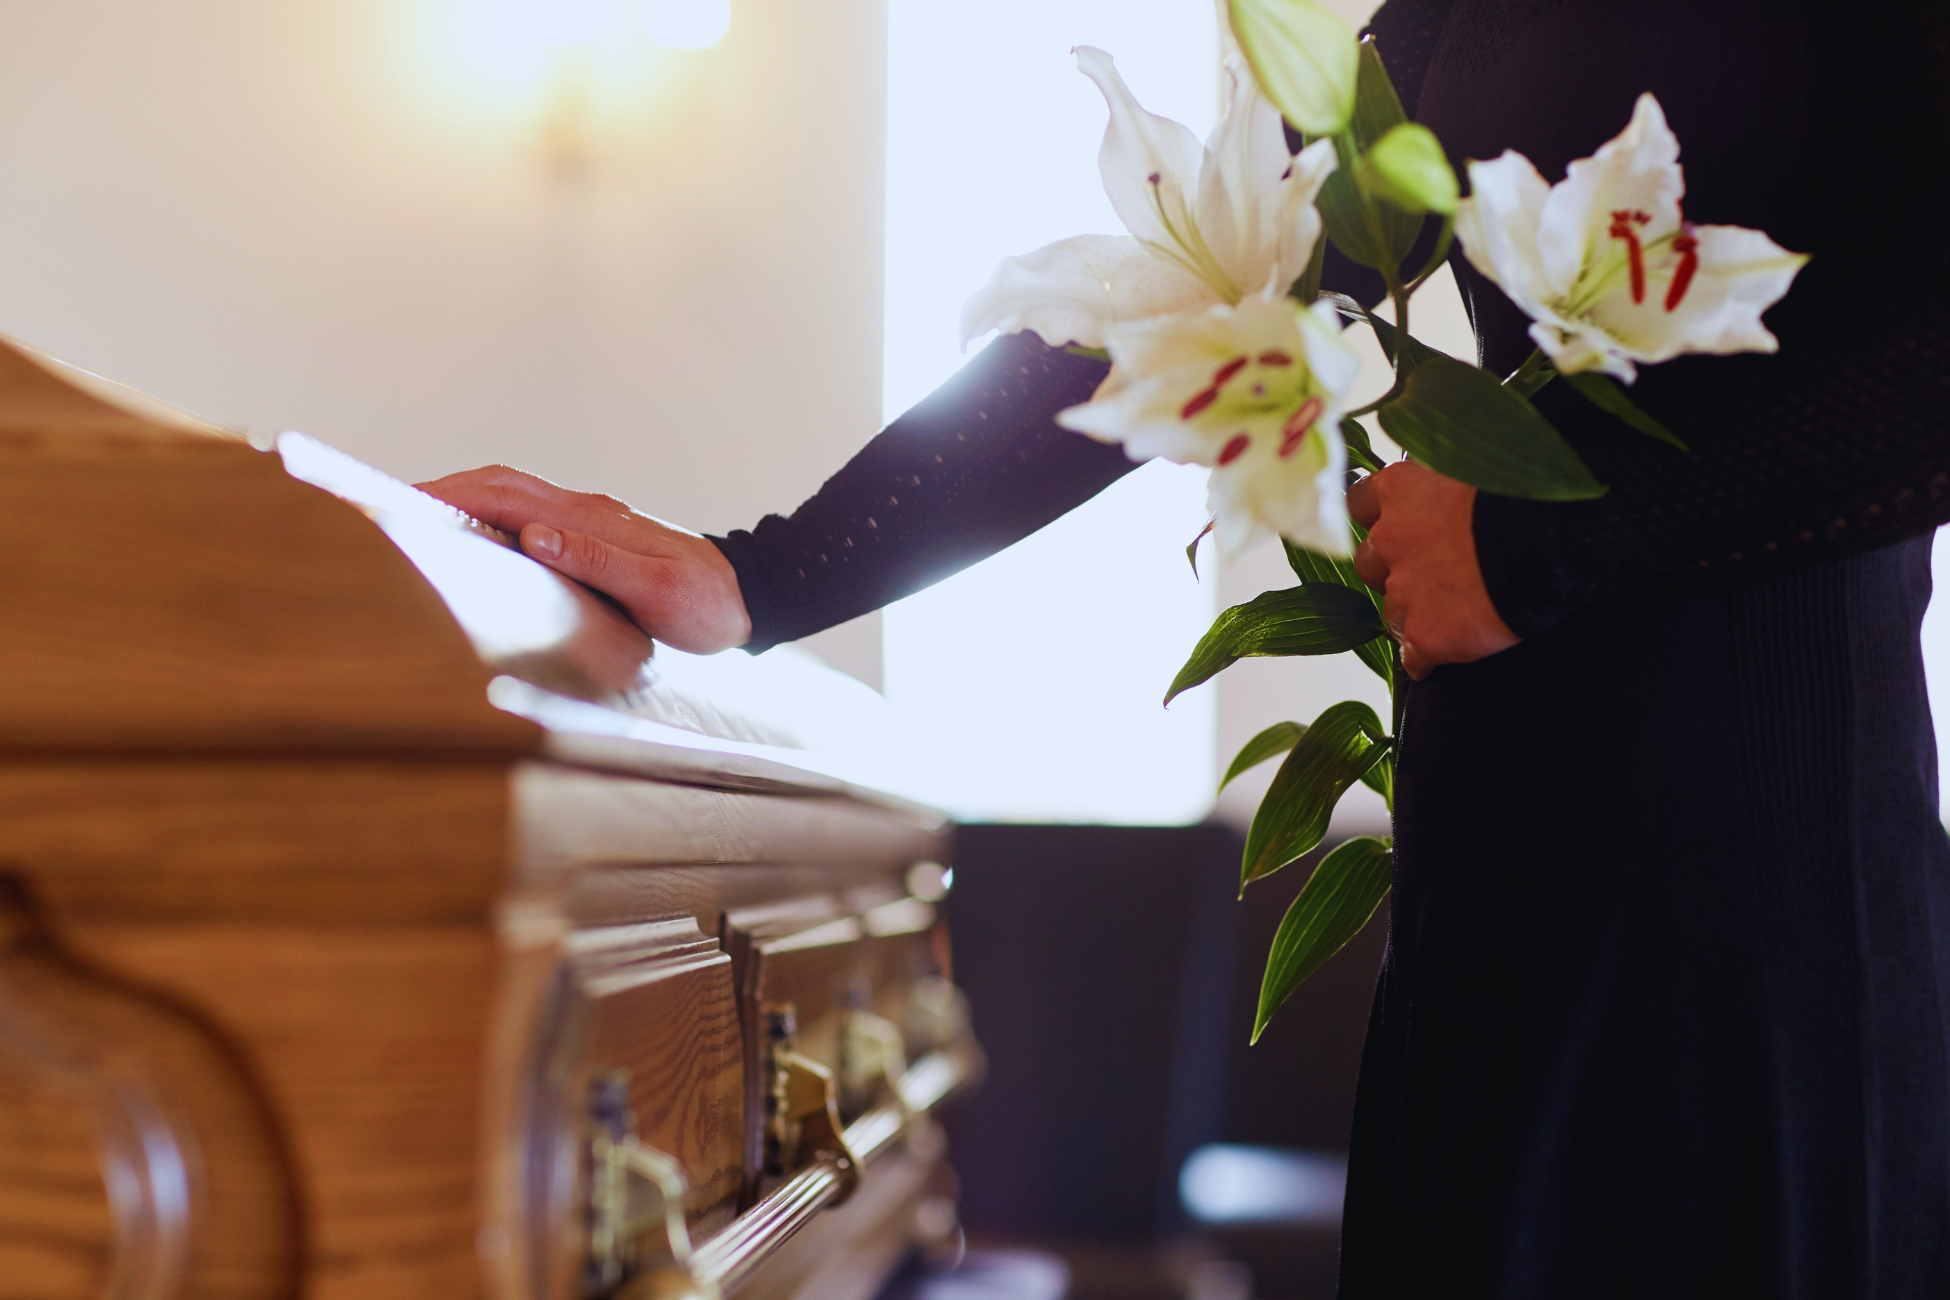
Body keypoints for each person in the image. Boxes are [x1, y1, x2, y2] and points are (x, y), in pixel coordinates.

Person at [423, 0, 1950, 1292]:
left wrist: (1547, 539)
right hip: (1507, 864)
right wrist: (763, 574)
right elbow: (1193, 288)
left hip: (1767, 880)